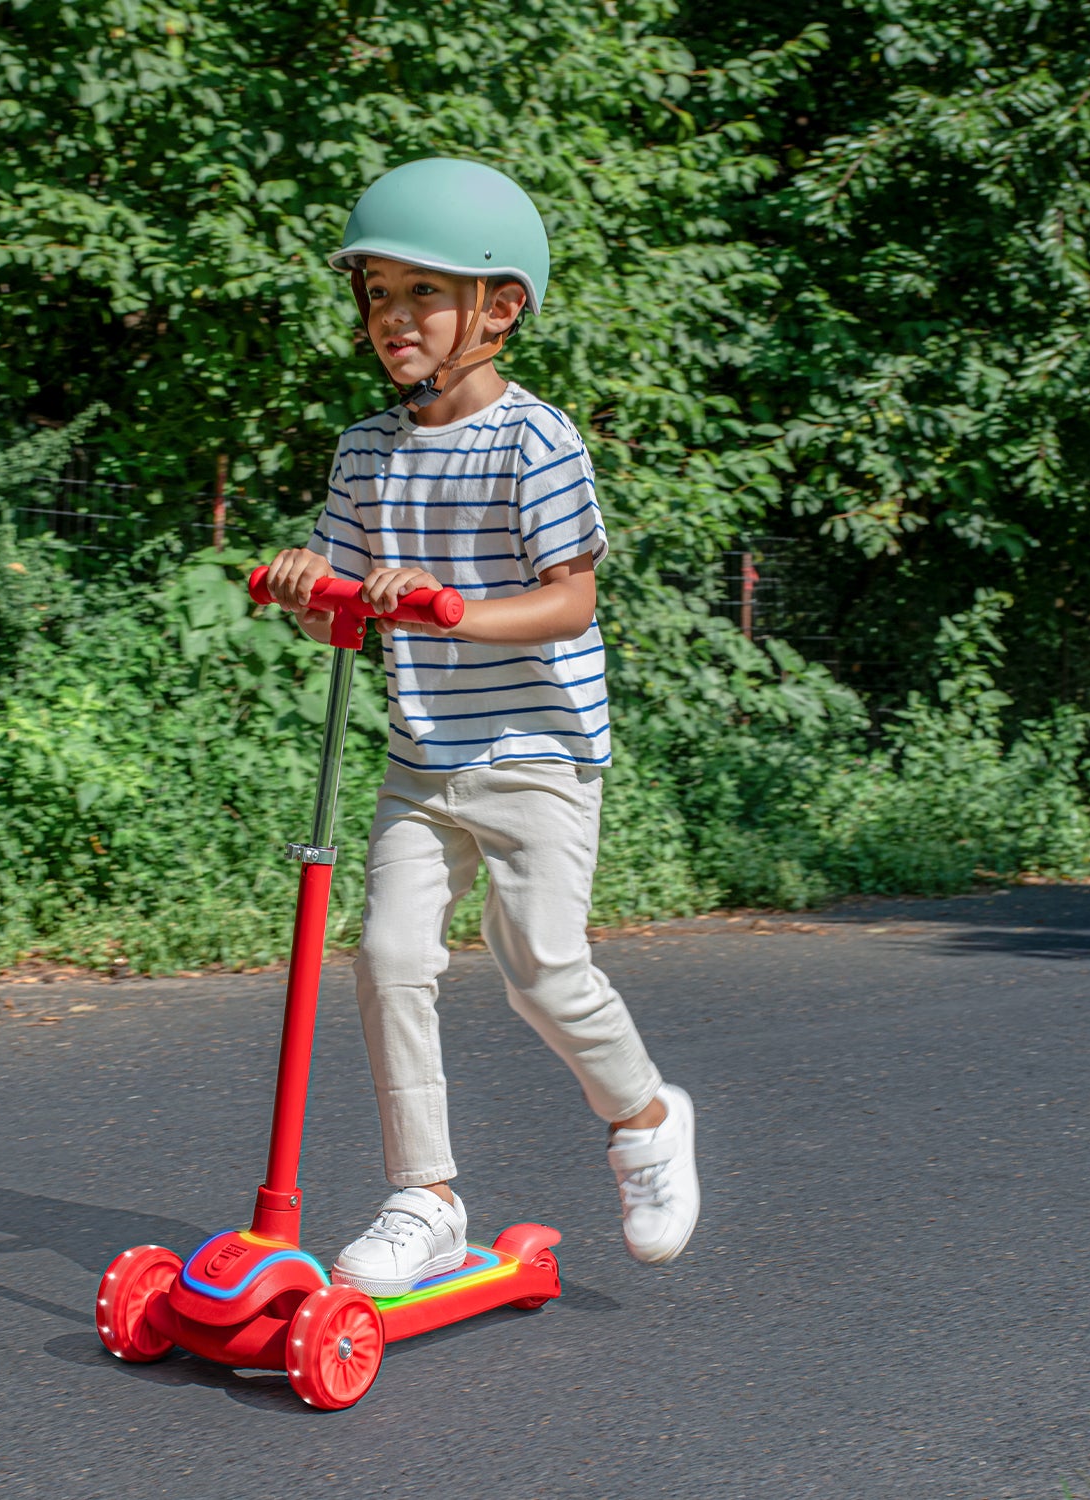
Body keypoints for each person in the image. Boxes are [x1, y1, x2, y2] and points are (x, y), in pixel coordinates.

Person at [262, 157, 698, 1295]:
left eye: (424, 293)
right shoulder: (366, 451)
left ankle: (647, 1120)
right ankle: (428, 1198)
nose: (393, 318)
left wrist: (455, 608)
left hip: (540, 752)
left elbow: (572, 598)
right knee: (388, 957)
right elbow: (347, 617)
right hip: (423, 757)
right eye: (376, 294)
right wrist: (315, 589)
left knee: (540, 969)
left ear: (498, 310)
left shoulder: (534, 443)